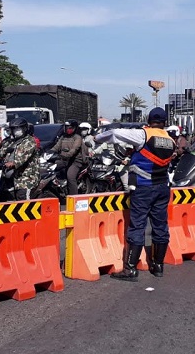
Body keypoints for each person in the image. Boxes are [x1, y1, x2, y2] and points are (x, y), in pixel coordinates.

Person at [95, 107, 175, 281]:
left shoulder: (143, 134)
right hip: (162, 188)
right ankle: (158, 265)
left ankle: (130, 269)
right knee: (160, 226)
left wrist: (97, 138)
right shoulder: (170, 139)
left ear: (149, 120)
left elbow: (115, 133)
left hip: (143, 187)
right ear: (165, 122)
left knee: (137, 226)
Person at [0, 117, 39, 201]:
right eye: (13, 129)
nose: (15, 131)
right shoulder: (10, 142)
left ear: (24, 128)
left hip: (26, 178)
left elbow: (21, 158)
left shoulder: (30, 141)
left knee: (22, 198)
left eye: (17, 128)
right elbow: (0, 153)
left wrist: (11, 163)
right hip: (10, 176)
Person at [50, 119, 85, 195]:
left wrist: (67, 154)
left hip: (75, 161)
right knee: (50, 169)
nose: (68, 129)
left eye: (70, 127)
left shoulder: (77, 138)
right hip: (63, 160)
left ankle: (74, 197)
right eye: (66, 127)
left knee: (70, 177)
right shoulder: (63, 137)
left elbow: (74, 149)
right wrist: (49, 152)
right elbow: (56, 147)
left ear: (75, 128)